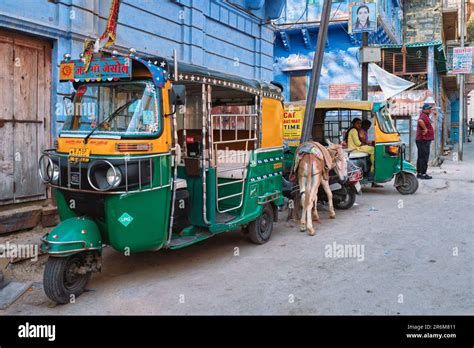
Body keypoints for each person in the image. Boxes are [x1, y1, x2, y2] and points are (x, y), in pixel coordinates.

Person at [345, 118, 382, 187]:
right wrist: (365, 144)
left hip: (355, 148)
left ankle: (371, 167)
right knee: (373, 150)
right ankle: (372, 169)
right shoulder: (354, 131)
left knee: (371, 149)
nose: (359, 125)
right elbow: (357, 143)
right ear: (353, 124)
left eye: (360, 123)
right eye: (357, 123)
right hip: (355, 149)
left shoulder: (354, 130)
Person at [416, 103, 435, 180]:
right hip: (423, 140)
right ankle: (423, 173)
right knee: (424, 157)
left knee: (421, 157)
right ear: (424, 110)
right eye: (428, 109)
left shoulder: (425, 116)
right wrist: (425, 129)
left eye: (430, 108)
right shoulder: (423, 116)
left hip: (422, 140)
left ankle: (419, 173)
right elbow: (420, 121)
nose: (430, 110)